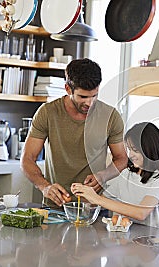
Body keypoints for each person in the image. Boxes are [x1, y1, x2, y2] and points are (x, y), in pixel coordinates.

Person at [21, 58, 128, 208]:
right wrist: (44, 186)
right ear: (68, 89)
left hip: (93, 208)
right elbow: (27, 158)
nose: (89, 103)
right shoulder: (47, 112)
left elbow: (121, 158)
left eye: (94, 96)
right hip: (55, 207)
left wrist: (102, 176)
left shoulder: (111, 116)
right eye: (83, 97)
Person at [71, 122, 159, 229]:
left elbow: (141, 213)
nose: (130, 155)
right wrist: (81, 194)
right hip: (125, 240)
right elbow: (100, 202)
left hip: (151, 242)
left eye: (135, 150)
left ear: (149, 150)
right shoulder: (126, 174)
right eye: (129, 149)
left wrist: (96, 198)